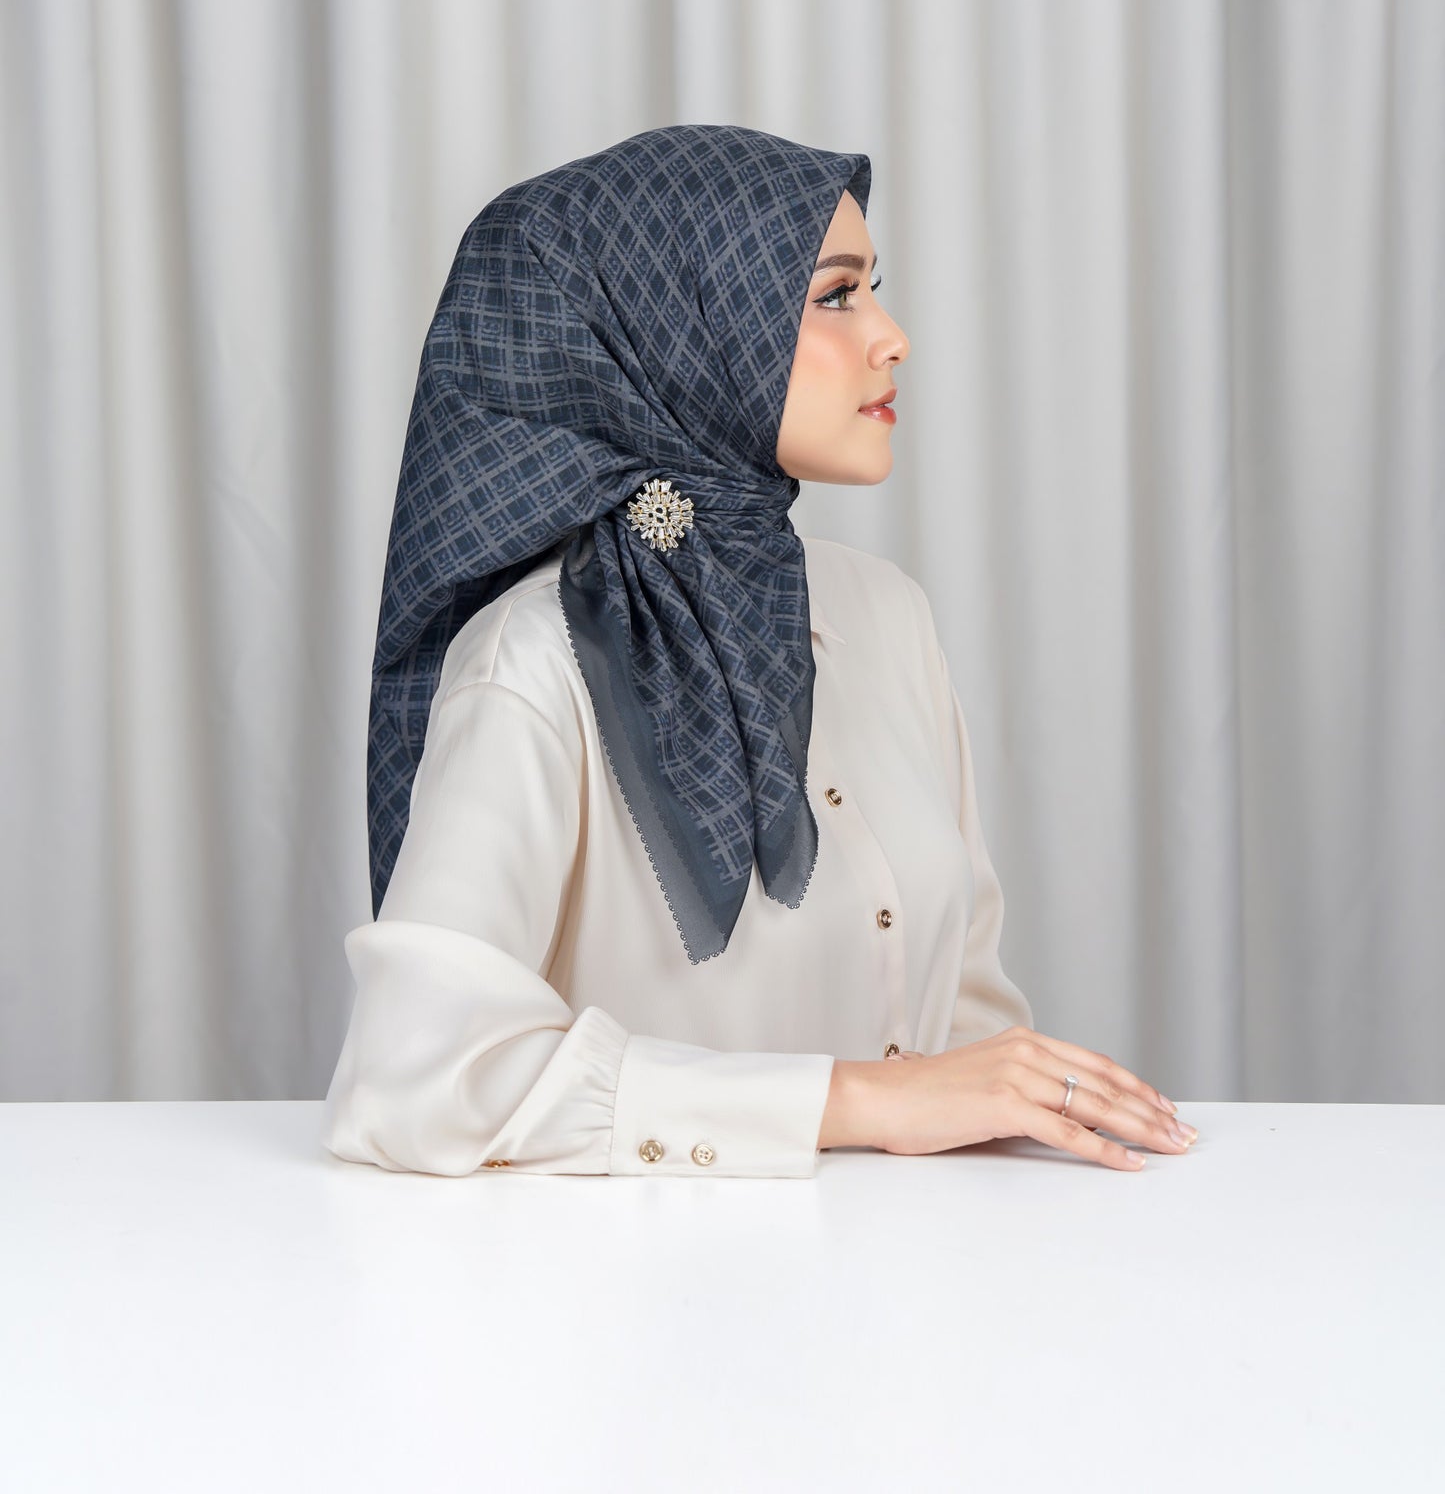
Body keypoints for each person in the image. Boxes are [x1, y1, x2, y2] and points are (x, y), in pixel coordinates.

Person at [321, 123, 1197, 1177]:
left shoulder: (885, 616)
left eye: (873, 288)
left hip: (924, 1266)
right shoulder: (535, 663)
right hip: (643, 1278)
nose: (891, 337)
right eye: (835, 296)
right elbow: (414, 1081)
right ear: (678, 328)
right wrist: (855, 1098)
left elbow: (963, 1023)